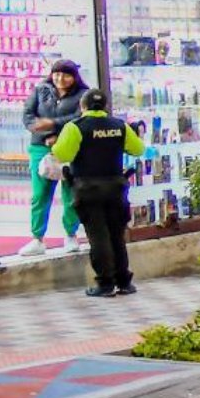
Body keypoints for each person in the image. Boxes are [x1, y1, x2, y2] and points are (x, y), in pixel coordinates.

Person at [50, 89, 144, 297]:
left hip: (88, 189)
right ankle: (124, 282)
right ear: (105, 107)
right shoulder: (119, 126)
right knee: (116, 235)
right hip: (116, 188)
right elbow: (138, 149)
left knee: (98, 236)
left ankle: (105, 283)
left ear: (83, 107)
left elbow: (62, 153)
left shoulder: (75, 127)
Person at [19, 59, 88, 257]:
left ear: (74, 76)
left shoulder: (83, 95)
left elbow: (80, 118)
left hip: (70, 149)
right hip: (40, 148)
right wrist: (42, 131)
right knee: (40, 194)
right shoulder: (41, 89)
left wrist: (54, 127)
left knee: (71, 193)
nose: (60, 78)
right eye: (57, 73)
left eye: (66, 74)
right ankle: (37, 238)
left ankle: (71, 235)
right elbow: (28, 115)